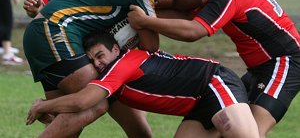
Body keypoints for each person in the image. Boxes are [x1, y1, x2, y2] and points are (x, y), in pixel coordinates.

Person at [127, 0, 300, 137]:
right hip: (257, 69)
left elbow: (193, 31)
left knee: (249, 132)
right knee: (206, 127)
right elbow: (187, 15)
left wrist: (145, 21)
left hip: (285, 63)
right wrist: (143, 7)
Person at [23, 0, 184, 137]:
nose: (159, 0)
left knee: (69, 125)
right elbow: (151, 46)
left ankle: (46, 108)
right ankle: (42, 107)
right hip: (54, 30)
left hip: (42, 33)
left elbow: (179, 3)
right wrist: (144, 23)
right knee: (96, 101)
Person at [26, 31, 259, 138]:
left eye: (100, 55)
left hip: (215, 82)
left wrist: (41, 106)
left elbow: (82, 101)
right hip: (199, 105)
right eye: (92, 60)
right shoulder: (113, 72)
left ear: (116, 49)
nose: (97, 64)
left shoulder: (122, 65)